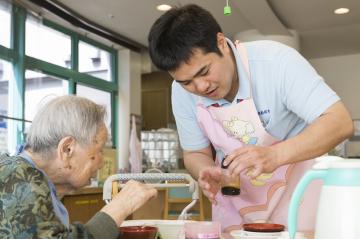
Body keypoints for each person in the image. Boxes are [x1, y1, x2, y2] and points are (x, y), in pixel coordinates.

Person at [148, 4, 354, 231]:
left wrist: (275, 155)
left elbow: (339, 121)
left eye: (204, 72)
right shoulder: (180, 92)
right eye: (186, 82)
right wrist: (204, 171)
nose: (200, 87)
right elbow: (195, 152)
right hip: (236, 208)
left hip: (299, 198)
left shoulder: (276, 62)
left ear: (220, 42)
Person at [0, 95, 157, 238]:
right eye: (99, 150)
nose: (101, 162)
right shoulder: (17, 179)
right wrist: (120, 207)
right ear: (67, 149)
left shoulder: (31, 180)